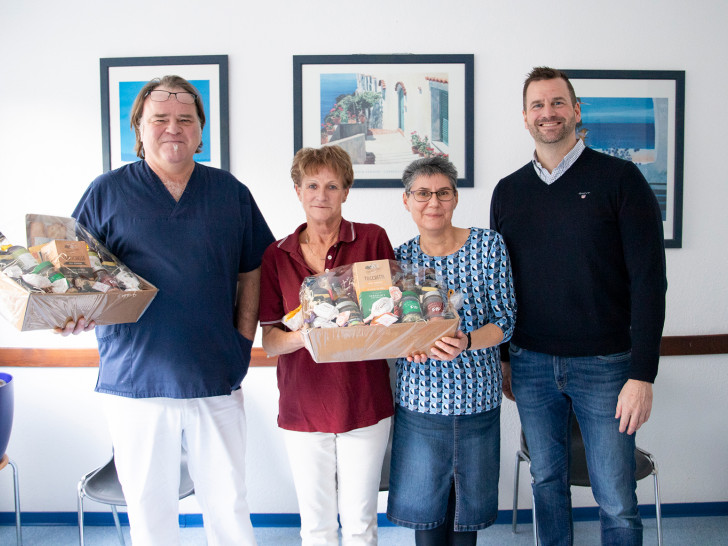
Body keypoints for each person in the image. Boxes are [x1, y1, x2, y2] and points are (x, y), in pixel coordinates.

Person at [59, 75, 274, 546]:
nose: (172, 128)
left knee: (229, 507)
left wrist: (241, 342)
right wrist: (70, 313)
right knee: (150, 511)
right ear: (139, 128)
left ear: (200, 131)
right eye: (160, 119)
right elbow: (73, 275)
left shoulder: (229, 192)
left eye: (185, 119)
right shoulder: (106, 192)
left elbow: (252, 270)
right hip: (135, 379)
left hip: (215, 374)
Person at [490, 66, 667, 546]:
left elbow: (650, 282)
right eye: (537, 105)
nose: (548, 113)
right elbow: (500, 287)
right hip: (530, 365)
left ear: (576, 110)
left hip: (607, 368)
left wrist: (643, 374)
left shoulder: (621, 180)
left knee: (616, 498)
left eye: (557, 102)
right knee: (546, 485)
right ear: (524, 117)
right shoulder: (508, 191)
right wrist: (505, 359)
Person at [258, 145, 394, 546]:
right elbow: (270, 341)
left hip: (364, 399)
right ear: (297, 190)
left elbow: (391, 319)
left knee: (360, 523)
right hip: (304, 404)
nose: (321, 194)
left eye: (332, 186)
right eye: (312, 185)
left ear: (346, 192)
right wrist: (309, 336)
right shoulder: (277, 255)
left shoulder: (371, 240)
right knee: (316, 525)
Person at [386, 156, 516, 546]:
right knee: (426, 523)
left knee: (465, 524)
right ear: (406, 200)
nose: (433, 202)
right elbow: (391, 330)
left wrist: (469, 341)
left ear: (455, 198)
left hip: (477, 401)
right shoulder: (400, 260)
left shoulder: (487, 245)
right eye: (422, 193)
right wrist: (407, 348)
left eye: (443, 193)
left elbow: (506, 318)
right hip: (420, 405)